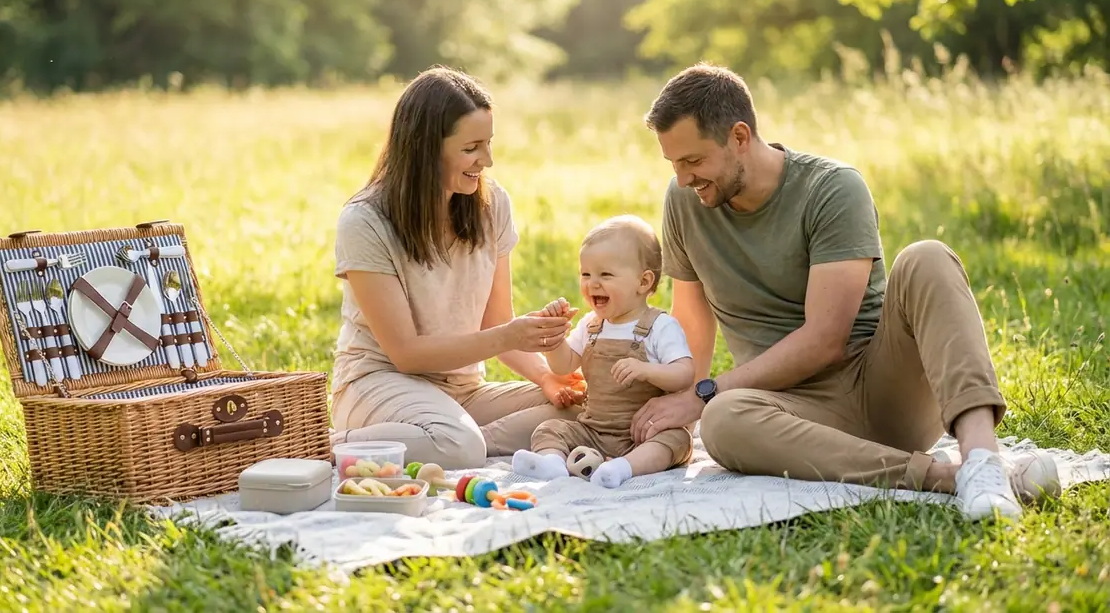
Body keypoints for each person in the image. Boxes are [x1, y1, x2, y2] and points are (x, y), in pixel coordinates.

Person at [630, 63, 1061, 521]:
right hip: (790, 413)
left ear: (739, 137)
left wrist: (705, 391)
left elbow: (825, 340)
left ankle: (983, 459)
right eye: (673, 163)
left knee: (927, 256)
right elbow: (692, 322)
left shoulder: (832, 188)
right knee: (722, 419)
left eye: (693, 161)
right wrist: (679, 401)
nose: (682, 178)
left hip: (882, 392)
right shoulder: (685, 203)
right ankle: (951, 478)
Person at [329, 65, 585, 469]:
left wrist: (545, 377)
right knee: (459, 443)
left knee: (595, 409)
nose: (487, 160)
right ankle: (325, 445)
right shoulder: (365, 221)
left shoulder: (492, 206)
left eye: (488, 144)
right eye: (472, 148)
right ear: (425, 148)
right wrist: (510, 335)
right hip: (378, 384)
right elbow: (407, 354)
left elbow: (495, 319)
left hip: (460, 390)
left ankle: (452, 440)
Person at [511, 215, 696, 488]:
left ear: (643, 282)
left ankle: (624, 468)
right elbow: (563, 366)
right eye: (585, 274)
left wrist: (647, 370)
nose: (592, 283)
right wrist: (554, 339)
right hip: (592, 430)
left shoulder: (659, 326)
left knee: (677, 440)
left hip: (643, 432)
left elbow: (685, 374)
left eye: (605, 274)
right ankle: (552, 464)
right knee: (550, 429)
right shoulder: (591, 325)